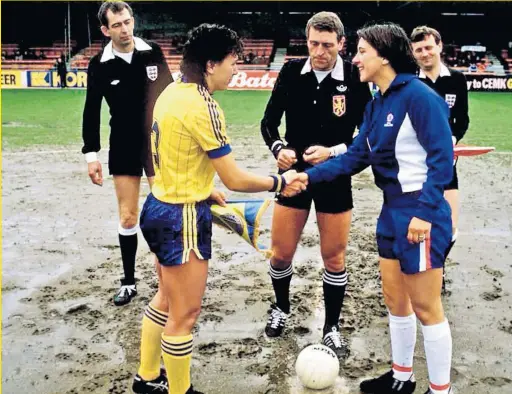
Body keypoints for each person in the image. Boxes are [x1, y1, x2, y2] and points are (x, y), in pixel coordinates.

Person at [132, 23, 304, 394]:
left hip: (158, 205)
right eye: (232, 61)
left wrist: (203, 188)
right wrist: (280, 182)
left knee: (165, 298)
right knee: (185, 314)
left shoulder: (171, 92)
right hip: (183, 218)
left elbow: (173, 156)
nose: (236, 69)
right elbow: (236, 179)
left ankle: (146, 378)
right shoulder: (203, 105)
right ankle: (179, 390)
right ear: (211, 64)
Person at [292, 22, 455, 394]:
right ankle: (401, 378)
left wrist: (425, 214)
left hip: (420, 210)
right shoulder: (378, 101)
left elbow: (443, 160)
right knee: (396, 300)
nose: (355, 58)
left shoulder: (419, 96)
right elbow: (356, 156)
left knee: (426, 306)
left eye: (362, 51)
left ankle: (441, 390)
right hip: (392, 209)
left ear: (383, 55)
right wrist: (307, 178)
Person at [259, 11, 372, 358]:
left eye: (326, 45)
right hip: (293, 178)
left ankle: (332, 327)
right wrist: (279, 149)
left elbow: (365, 136)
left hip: (335, 176)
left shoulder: (355, 76)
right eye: (313, 44)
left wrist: (332, 152)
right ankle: (281, 307)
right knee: (280, 254)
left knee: (334, 257)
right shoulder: (293, 71)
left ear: (341, 43)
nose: (319, 52)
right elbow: (268, 123)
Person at [81, 1, 173, 306]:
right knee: (128, 214)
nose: (125, 30)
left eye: (128, 22)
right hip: (122, 144)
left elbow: (171, 96)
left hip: (158, 143)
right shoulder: (100, 65)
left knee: (165, 209)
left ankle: (169, 281)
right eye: (117, 25)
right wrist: (91, 155)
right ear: (105, 30)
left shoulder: (152, 52)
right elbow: (91, 111)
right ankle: (129, 281)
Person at [410, 26, 470, 292]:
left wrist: (454, 139)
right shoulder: (412, 83)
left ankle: (438, 268)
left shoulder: (456, 79)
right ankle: (423, 272)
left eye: (428, 47)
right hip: (416, 166)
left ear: (439, 46)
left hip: (446, 164)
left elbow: (463, 120)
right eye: (419, 50)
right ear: (413, 53)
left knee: (451, 228)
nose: (425, 53)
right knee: (417, 222)